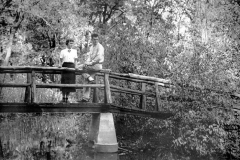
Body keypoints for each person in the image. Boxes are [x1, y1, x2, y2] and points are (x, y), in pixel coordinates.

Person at [80, 33, 104, 102]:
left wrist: (90, 63)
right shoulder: (91, 47)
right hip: (92, 66)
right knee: (87, 80)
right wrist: (87, 62)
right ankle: (85, 98)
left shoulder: (100, 47)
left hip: (97, 65)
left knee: (81, 68)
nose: (96, 41)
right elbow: (89, 57)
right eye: (94, 39)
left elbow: (99, 57)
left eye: (97, 39)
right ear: (92, 39)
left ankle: (89, 77)